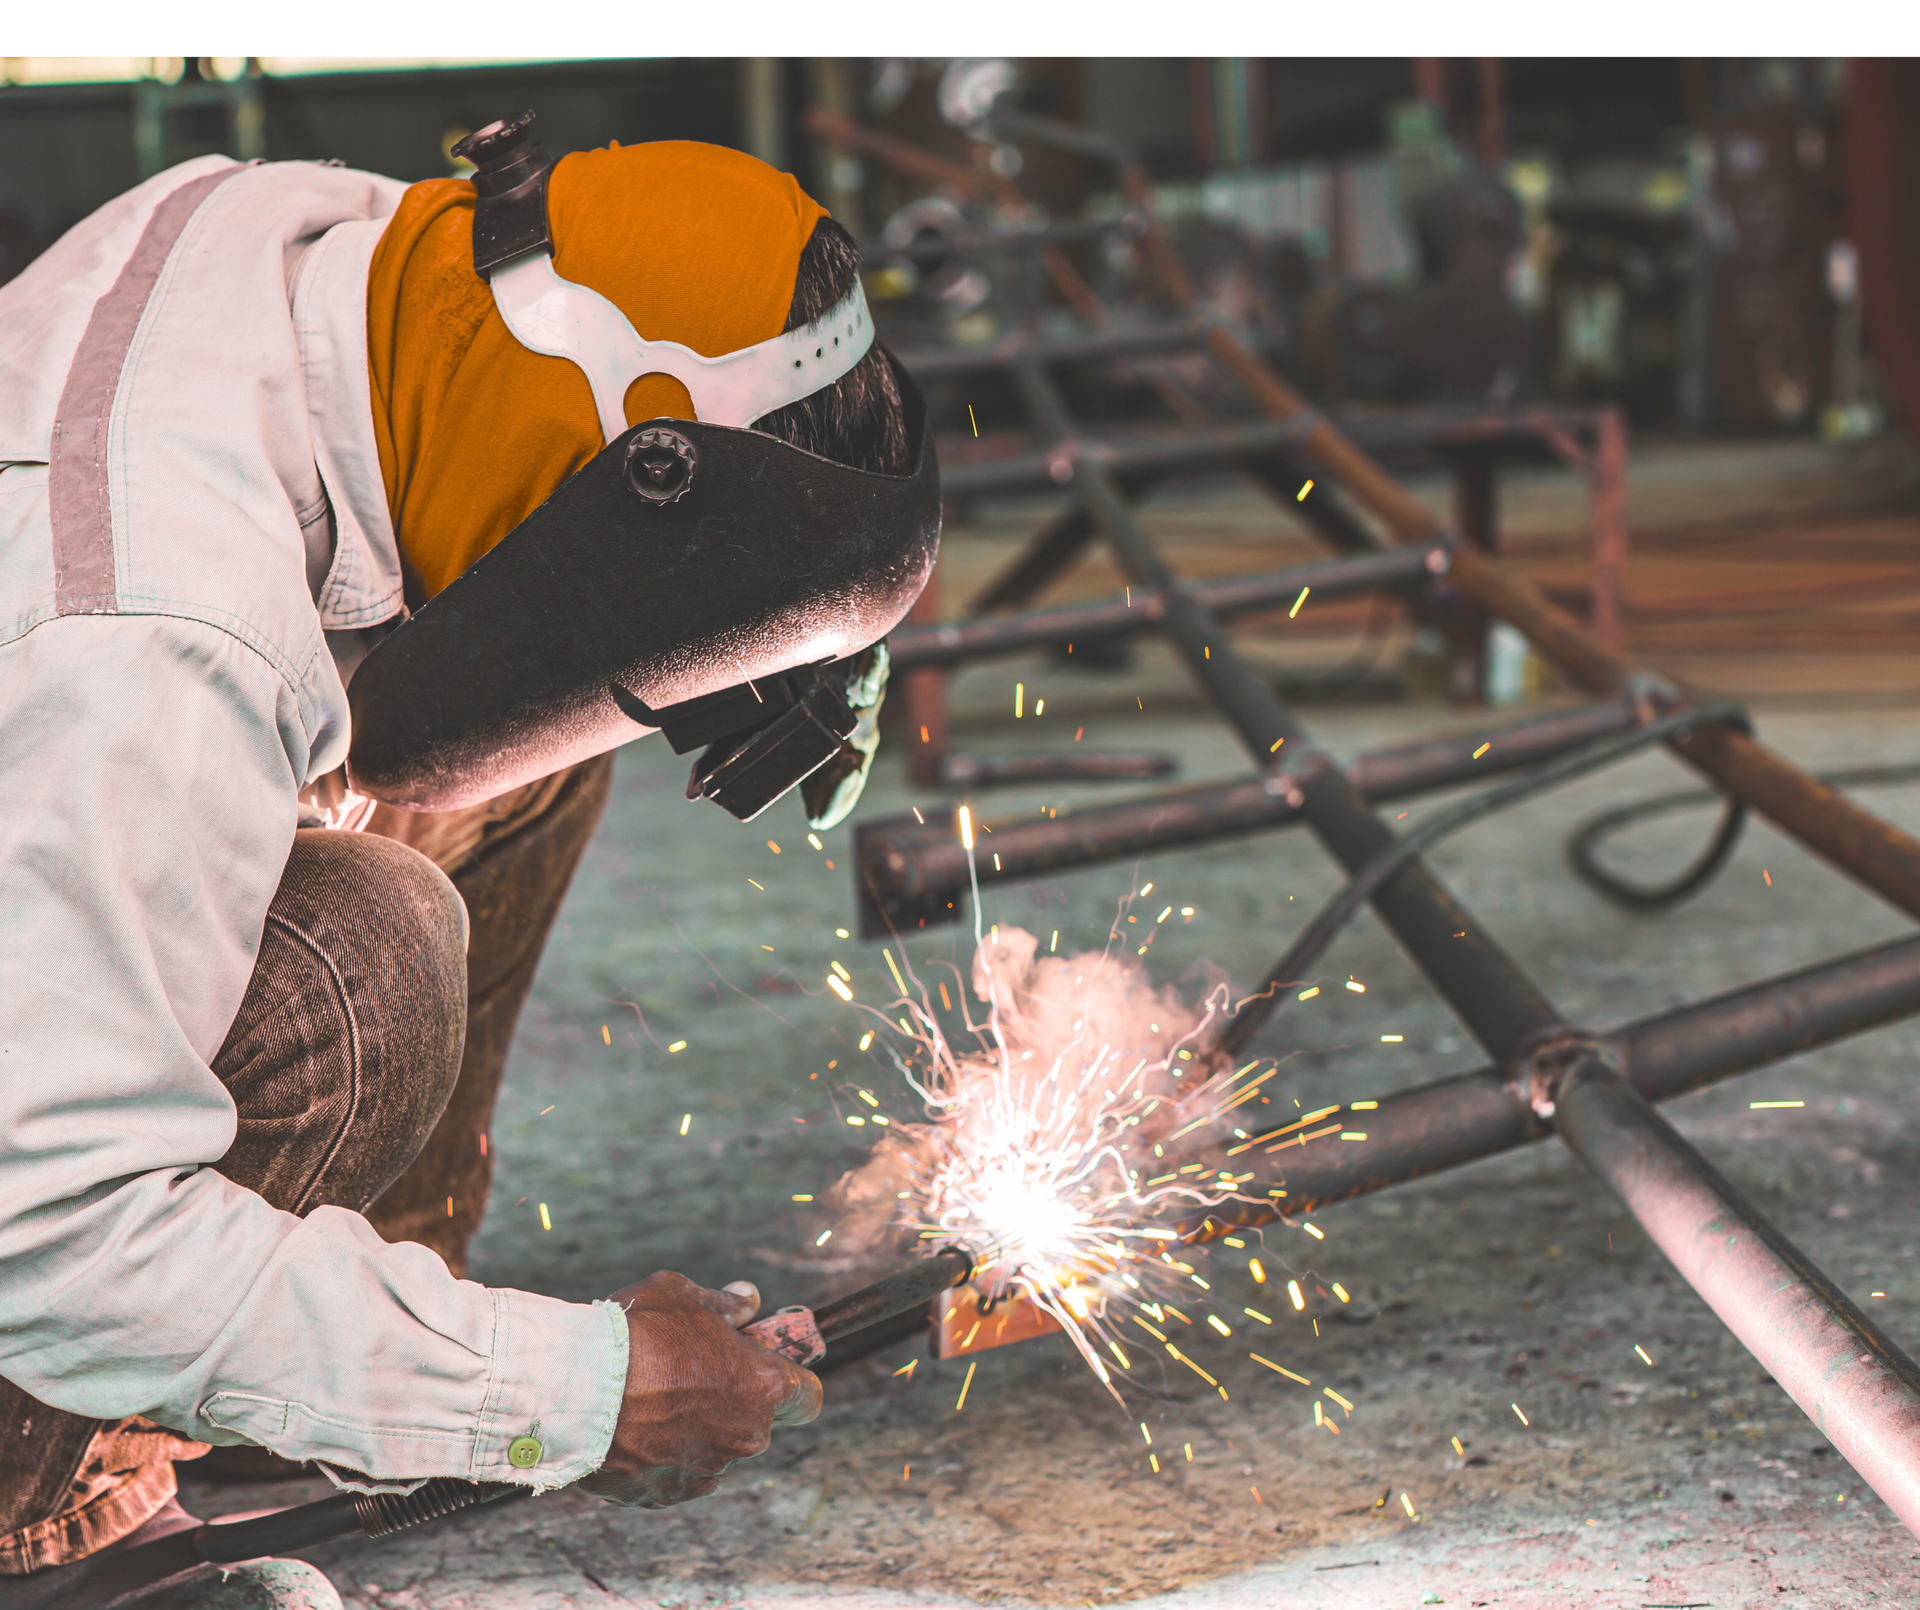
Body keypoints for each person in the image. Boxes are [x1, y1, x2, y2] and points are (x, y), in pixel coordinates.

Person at [0, 115, 937, 1609]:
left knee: (525, 736)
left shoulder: (382, 274)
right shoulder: (147, 640)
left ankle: (322, 1369)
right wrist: (571, 1392)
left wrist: (788, 617)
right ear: (635, 456)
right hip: (29, 1204)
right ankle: (56, 1514)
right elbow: (51, 1231)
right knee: (364, 961)